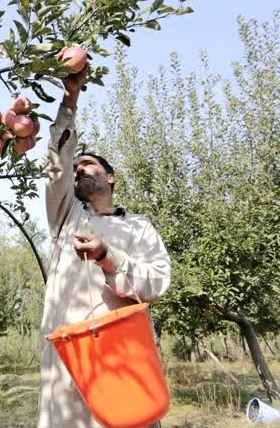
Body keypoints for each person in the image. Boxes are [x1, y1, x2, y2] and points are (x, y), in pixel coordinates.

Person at [38, 62, 172, 428]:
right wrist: (70, 99)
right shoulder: (66, 217)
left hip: (123, 359)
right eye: (77, 165)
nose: (79, 169)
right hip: (69, 361)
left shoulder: (139, 228)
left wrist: (107, 256)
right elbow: (58, 167)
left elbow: (157, 284)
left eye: (90, 164)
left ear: (110, 178)